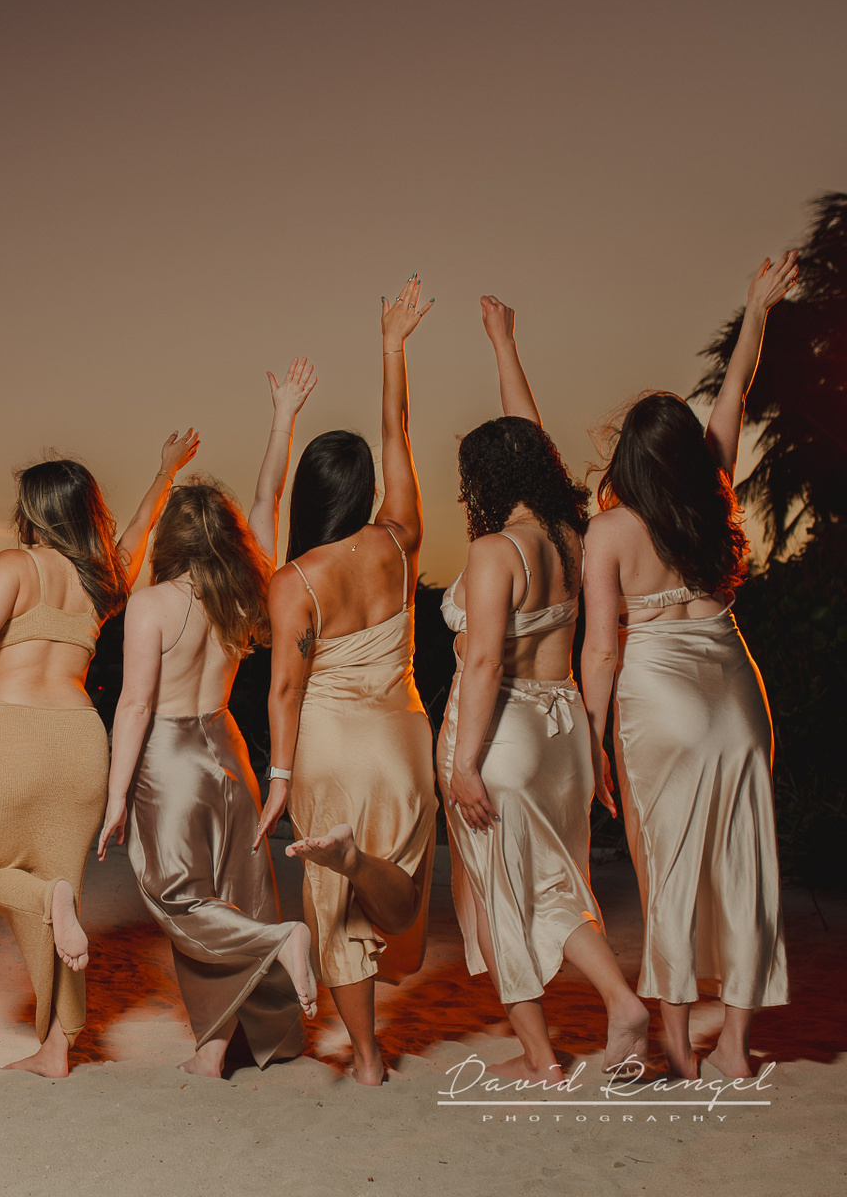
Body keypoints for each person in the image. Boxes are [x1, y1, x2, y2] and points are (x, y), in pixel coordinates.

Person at [0, 432, 198, 1078]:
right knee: (61, 902)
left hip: (15, 732)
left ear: (32, 509)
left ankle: (52, 907)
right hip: (80, 738)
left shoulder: (14, 564)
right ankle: (57, 1047)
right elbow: (139, 529)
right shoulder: (101, 577)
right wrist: (165, 471)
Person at [580, 254, 797, 1079]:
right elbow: (734, 392)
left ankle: (677, 1046)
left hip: (658, 694)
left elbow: (603, 647)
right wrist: (757, 307)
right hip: (736, 687)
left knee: (665, 870)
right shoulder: (714, 494)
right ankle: (735, 1046)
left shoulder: (610, 533)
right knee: (747, 864)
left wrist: (592, 737)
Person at [437, 299, 649, 1080]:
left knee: (499, 892)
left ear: (483, 482)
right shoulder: (574, 537)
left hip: (502, 731)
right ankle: (619, 1001)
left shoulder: (497, 550)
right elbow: (526, 431)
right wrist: (504, 343)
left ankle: (542, 1059)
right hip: (562, 731)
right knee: (556, 883)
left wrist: (464, 763)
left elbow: (484, 665)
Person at [97, 359, 321, 1077]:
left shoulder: (151, 605)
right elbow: (268, 495)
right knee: (233, 898)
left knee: (180, 901)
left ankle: (281, 940)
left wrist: (115, 799)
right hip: (228, 750)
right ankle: (216, 1048)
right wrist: (283, 416)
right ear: (227, 537)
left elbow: (135, 704)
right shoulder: (246, 592)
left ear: (169, 540)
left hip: (169, 761)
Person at [253, 277, 437, 1086]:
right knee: (401, 885)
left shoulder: (294, 580)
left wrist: (278, 777)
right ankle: (361, 861)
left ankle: (366, 1059)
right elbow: (399, 430)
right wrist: (392, 347)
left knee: (331, 908)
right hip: (402, 737)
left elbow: (284, 692)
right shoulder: (400, 540)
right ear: (365, 492)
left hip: (329, 746)